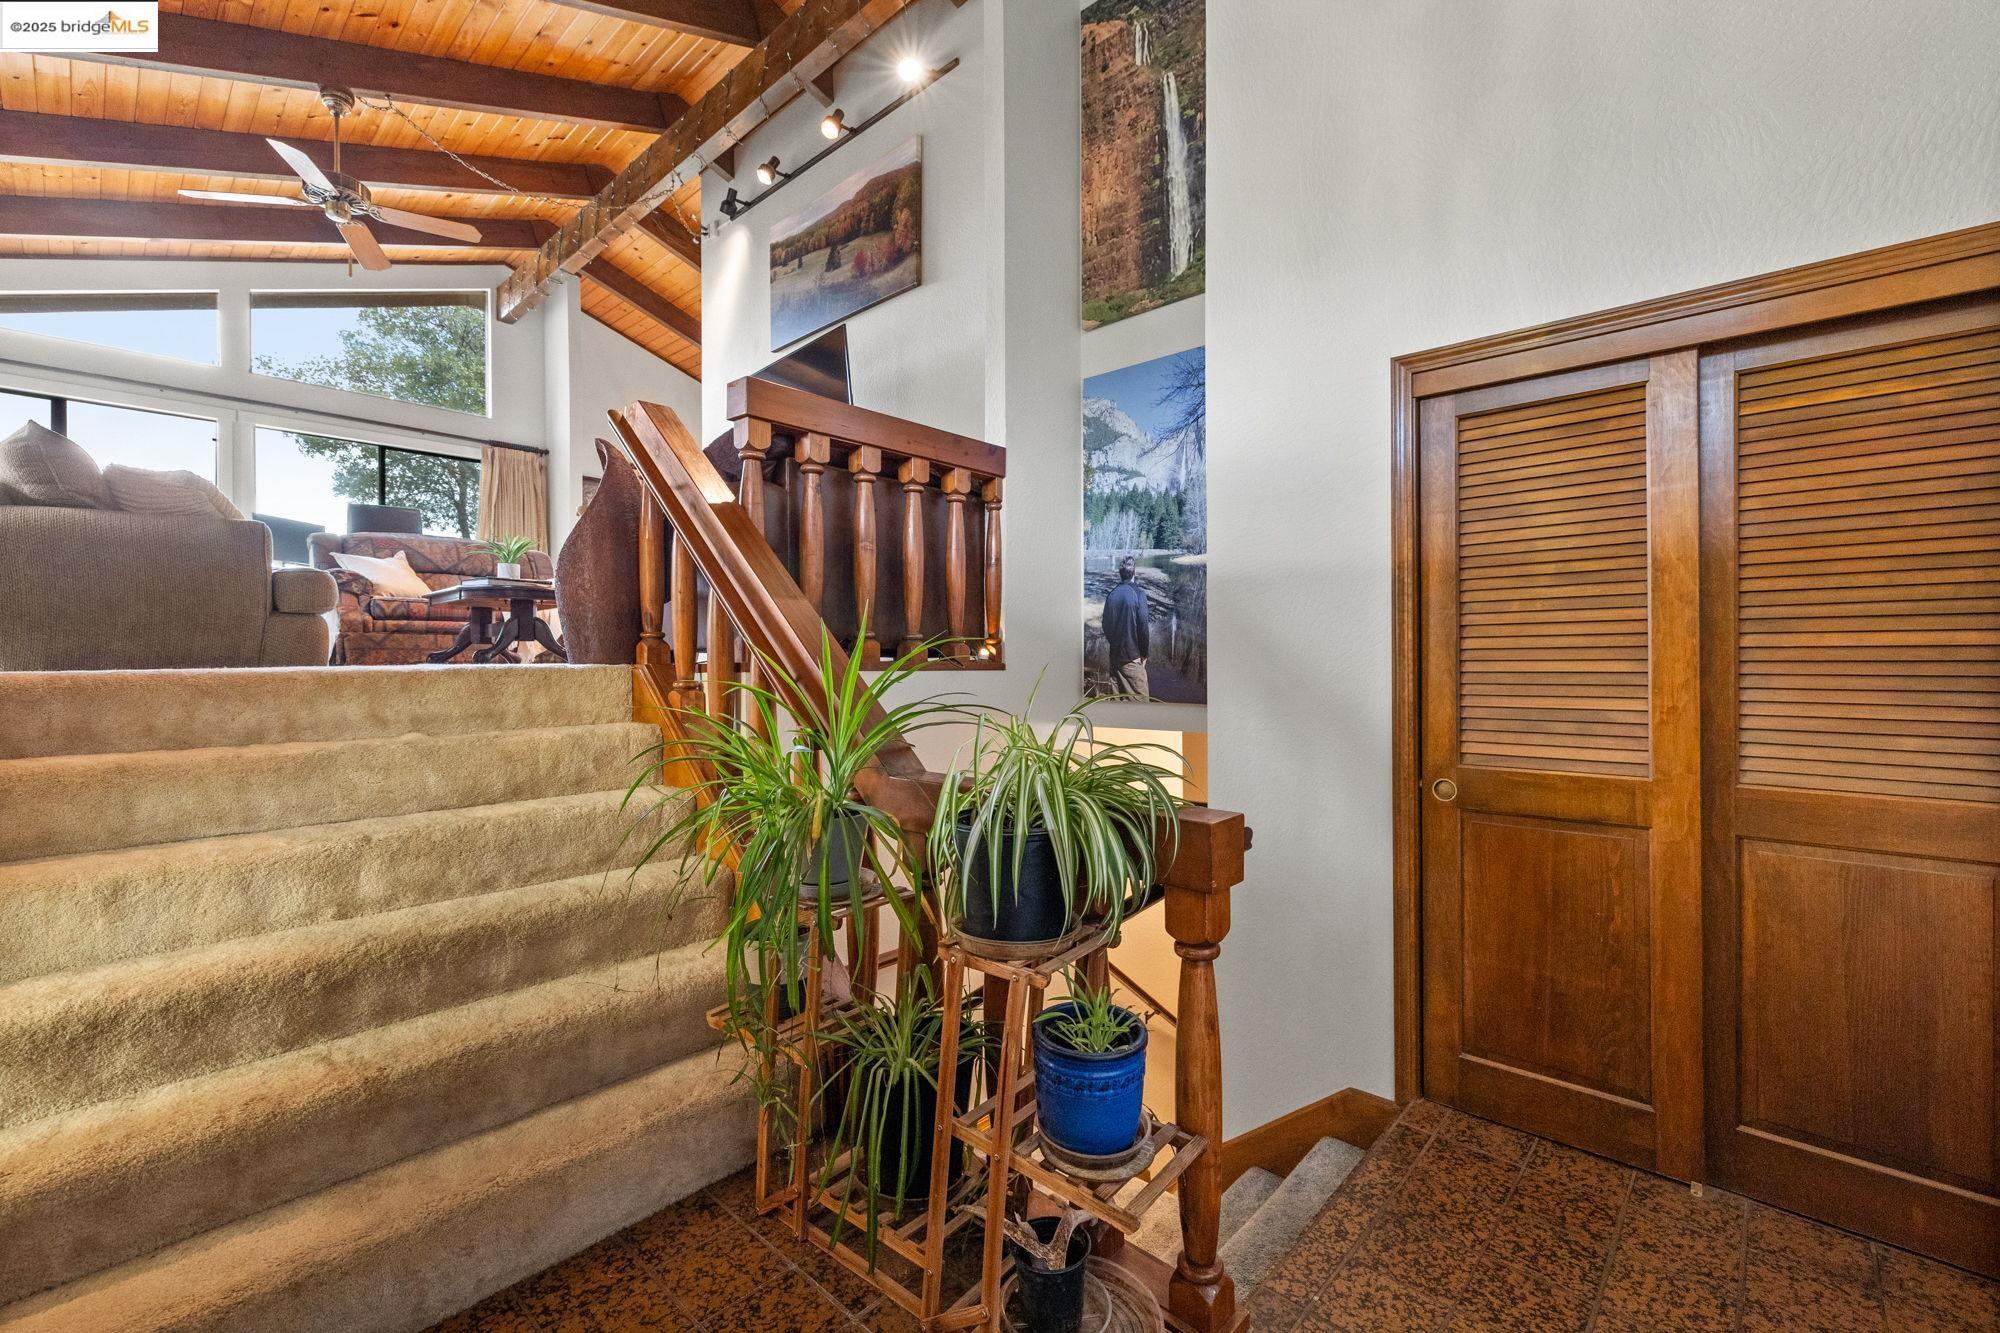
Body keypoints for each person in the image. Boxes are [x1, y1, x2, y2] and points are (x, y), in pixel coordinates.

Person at [1100, 555, 1150, 698]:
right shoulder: (1139, 594)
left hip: (1114, 657)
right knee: (1142, 703)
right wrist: (1144, 654)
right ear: (1134, 573)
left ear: (1120, 574)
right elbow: (1143, 628)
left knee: (1118, 701)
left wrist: (1116, 643)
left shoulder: (1112, 595)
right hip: (1132, 659)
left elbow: (1106, 625)